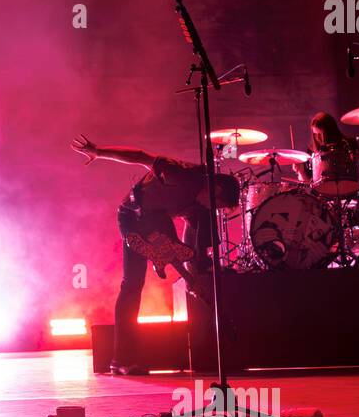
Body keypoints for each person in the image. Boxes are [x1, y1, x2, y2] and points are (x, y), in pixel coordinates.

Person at [70, 134, 239, 365]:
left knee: (193, 232)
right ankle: (122, 360)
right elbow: (140, 156)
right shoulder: (180, 174)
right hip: (133, 217)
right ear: (215, 189)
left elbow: (181, 244)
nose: (215, 209)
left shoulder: (200, 208)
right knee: (132, 284)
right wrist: (99, 152)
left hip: (158, 221)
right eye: (217, 204)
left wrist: (193, 275)